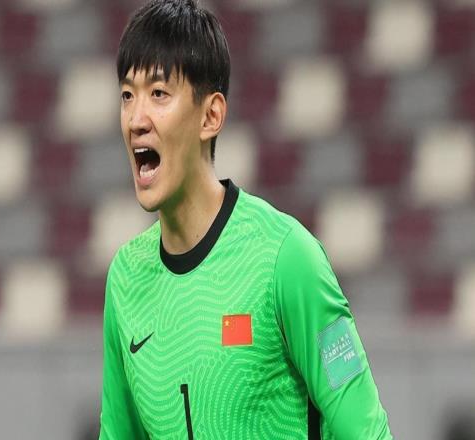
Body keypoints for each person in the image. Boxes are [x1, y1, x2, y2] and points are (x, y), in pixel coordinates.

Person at [99, 0, 393, 438]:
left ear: (211, 115)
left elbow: (366, 431)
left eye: (158, 93)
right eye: (127, 95)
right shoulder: (125, 278)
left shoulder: (286, 257)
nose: (136, 119)